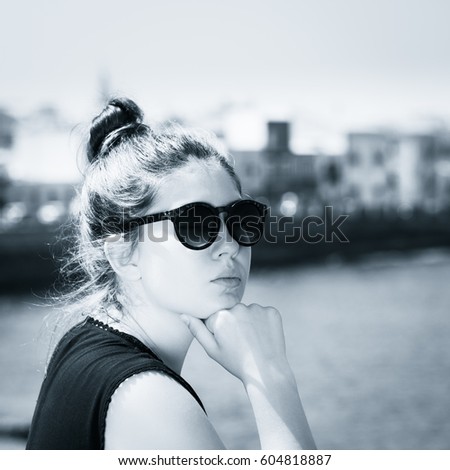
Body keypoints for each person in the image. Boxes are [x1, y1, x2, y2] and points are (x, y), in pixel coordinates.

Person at [26, 97, 316, 450]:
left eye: (241, 220)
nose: (230, 245)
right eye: (196, 224)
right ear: (124, 255)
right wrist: (271, 376)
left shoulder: (84, 343)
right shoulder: (149, 399)